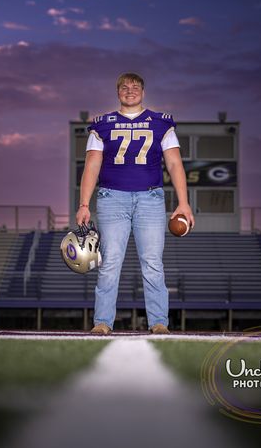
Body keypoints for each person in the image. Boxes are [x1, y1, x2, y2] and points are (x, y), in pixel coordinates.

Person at [76, 72, 195, 335]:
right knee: (109, 263)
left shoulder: (161, 122)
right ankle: (103, 322)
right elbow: (92, 165)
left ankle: (159, 322)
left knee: (152, 262)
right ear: (117, 91)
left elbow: (174, 163)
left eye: (136, 86)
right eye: (125, 87)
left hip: (150, 198)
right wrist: (84, 203)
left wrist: (183, 203)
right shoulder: (102, 124)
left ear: (143, 91)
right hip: (111, 198)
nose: (130, 90)